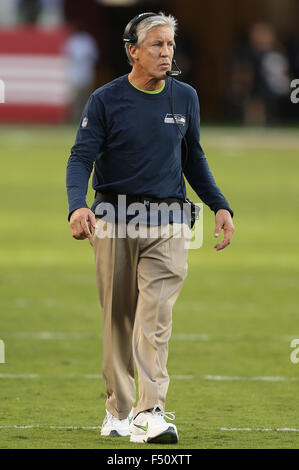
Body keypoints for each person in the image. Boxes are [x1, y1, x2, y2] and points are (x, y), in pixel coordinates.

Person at [66, 11, 234, 444]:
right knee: (119, 319)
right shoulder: (104, 100)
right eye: (157, 45)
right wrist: (76, 207)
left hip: (170, 223)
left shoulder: (186, 97)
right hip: (113, 220)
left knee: (155, 317)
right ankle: (119, 411)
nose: (167, 53)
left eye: (171, 45)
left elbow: (193, 157)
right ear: (132, 51)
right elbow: (81, 157)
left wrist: (218, 204)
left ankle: (149, 411)